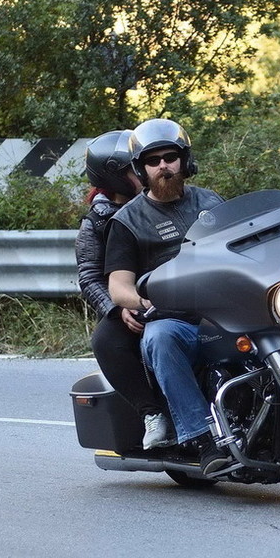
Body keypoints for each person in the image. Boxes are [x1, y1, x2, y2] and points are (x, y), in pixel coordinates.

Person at [104, 118, 233, 476]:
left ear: (184, 160)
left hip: (226, 310)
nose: (163, 165)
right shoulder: (128, 220)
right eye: (153, 160)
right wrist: (143, 303)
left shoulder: (211, 201)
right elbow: (118, 286)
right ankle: (202, 439)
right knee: (160, 338)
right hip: (176, 320)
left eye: (170, 157)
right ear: (141, 170)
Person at [75, 129, 173, 449]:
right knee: (106, 341)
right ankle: (152, 413)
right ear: (113, 175)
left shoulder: (165, 202)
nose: (144, 171)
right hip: (133, 300)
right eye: (135, 167)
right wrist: (117, 308)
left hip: (179, 289)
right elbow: (90, 276)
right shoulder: (96, 222)